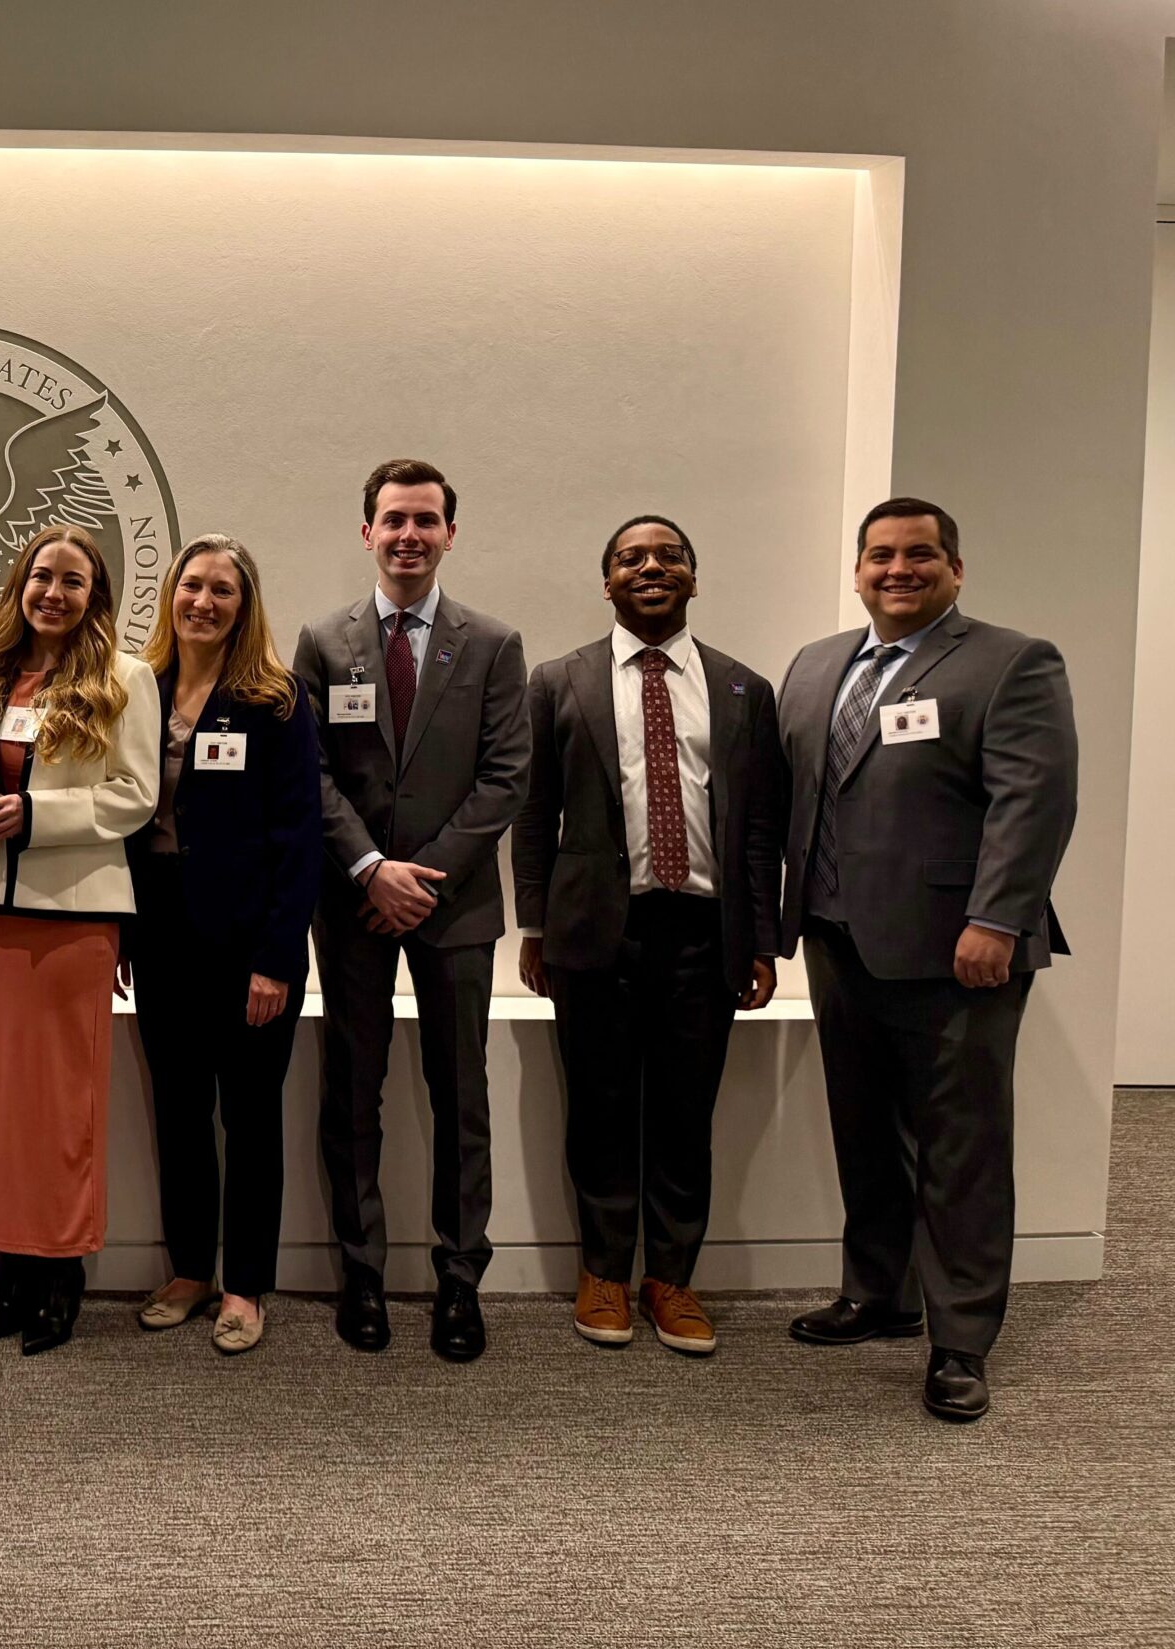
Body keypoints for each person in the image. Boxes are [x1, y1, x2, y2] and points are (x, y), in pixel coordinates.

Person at [776, 497, 1076, 1423]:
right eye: (880, 556)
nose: (897, 569)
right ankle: (881, 1293)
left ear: (955, 567)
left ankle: (961, 1339)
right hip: (837, 937)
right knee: (865, 1128)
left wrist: (996, 918)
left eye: (919, 555)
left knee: (962, 1147)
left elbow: (1035, 800)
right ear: (858, 569)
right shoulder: (818, 664)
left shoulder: (1010, 662)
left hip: (961, 951)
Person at [513, 515, 786, 1356]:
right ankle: (603, 1270)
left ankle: (671, 1275)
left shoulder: (743, 689)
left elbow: (761, 826)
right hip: (596, 929)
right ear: (608, 583)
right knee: (597, 1107)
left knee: (683, 1110)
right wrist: (532, 923)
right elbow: (532, 815)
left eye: (669, 556)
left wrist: (763, 940)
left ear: (693, 577)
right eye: (631, 558)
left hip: (706, 934)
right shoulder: (559, 681)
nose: (651, 567)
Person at [291, 458, 530, 1363]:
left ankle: (459, 1279)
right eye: (393, 520)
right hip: (351, 904)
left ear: (449, 535)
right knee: (352, 1092)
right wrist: (366, 868)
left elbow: (508, 774)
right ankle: (361, 1273)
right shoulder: (322, 640)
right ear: (366, 532)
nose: (408, 536)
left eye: (425, 521)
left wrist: (416, 875)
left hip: (455, 906)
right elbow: (305, 773)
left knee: (460, 1095)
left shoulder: (494, 643)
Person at [0, 523, 160, 1356]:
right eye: (41, 576)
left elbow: (134, 796)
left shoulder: (126, 678)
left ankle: (62, 1270)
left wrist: (36, 814)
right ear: (19, 585)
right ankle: (11, 1267)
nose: (53, 593)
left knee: (65, 1102)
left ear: (93, 596)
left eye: (72, 580)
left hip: (75, 916)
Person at [123, 534, 323, 1356]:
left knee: (249, 1117)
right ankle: (189, 1270)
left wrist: (278, 956)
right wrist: (124, 930)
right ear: (171, 594)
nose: (203, 601)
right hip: (162, 932)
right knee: (176, 1109)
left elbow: (299, 836)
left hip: (249, 942)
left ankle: (244, 1282)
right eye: (191, 585)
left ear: (246, 606)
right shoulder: (138, 688)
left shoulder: (276, 699)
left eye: (223, 591)